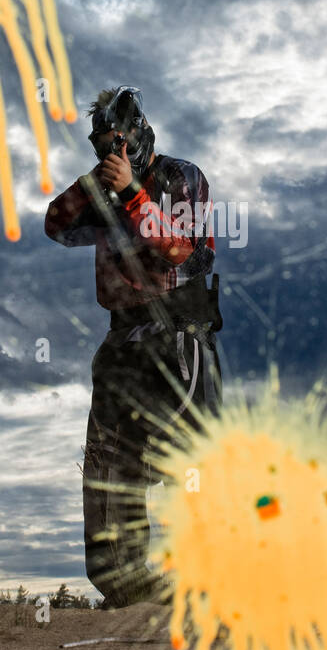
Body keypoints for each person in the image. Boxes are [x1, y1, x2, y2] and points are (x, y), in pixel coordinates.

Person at [45, 85, 222, 607]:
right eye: (102, 143)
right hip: (121, 336)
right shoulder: (99, 183)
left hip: (177, 335)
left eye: (119, 140)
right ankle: (123, 585)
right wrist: (91, 186)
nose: (112, 151)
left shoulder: (180, 176)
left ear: (141, 133)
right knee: (110, 462)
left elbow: (188, 256)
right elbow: (55, 226)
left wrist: (132, 195)